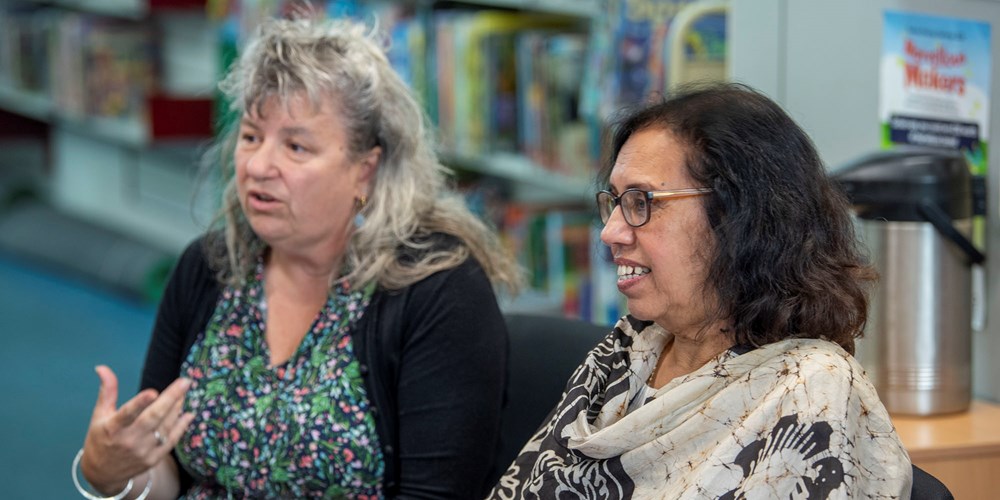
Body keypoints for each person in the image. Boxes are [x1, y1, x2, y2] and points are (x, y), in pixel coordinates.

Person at [74, 15, 521, 499]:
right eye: (250, 137)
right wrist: (112, 472)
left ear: (365, 172)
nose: (260, 166)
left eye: (296, 146)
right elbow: (169, 473)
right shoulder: (211, 266)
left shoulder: (436, 289)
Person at [488, 82, 912, 498]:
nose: (611, 232)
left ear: (739, 217)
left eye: (642, 202)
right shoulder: (628, 350)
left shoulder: (806, 390)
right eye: (615, 202)